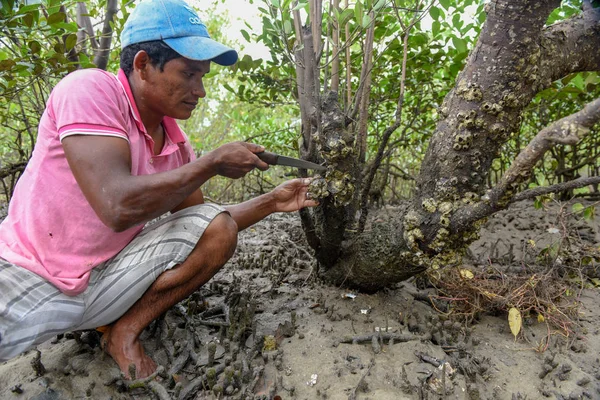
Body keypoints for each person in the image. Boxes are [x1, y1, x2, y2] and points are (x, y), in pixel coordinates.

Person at [0, 0, 317, 378]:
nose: (199, 91)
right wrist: (211, 163)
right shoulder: (90, 90)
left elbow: (204, 224)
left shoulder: (177, 146)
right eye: (188, 74)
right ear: (143, 65)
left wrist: (273, 200)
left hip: (109, 286)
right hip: (32, 273)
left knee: (217, 228)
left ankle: (124, 331)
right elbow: (116, 206)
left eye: (203, 77)